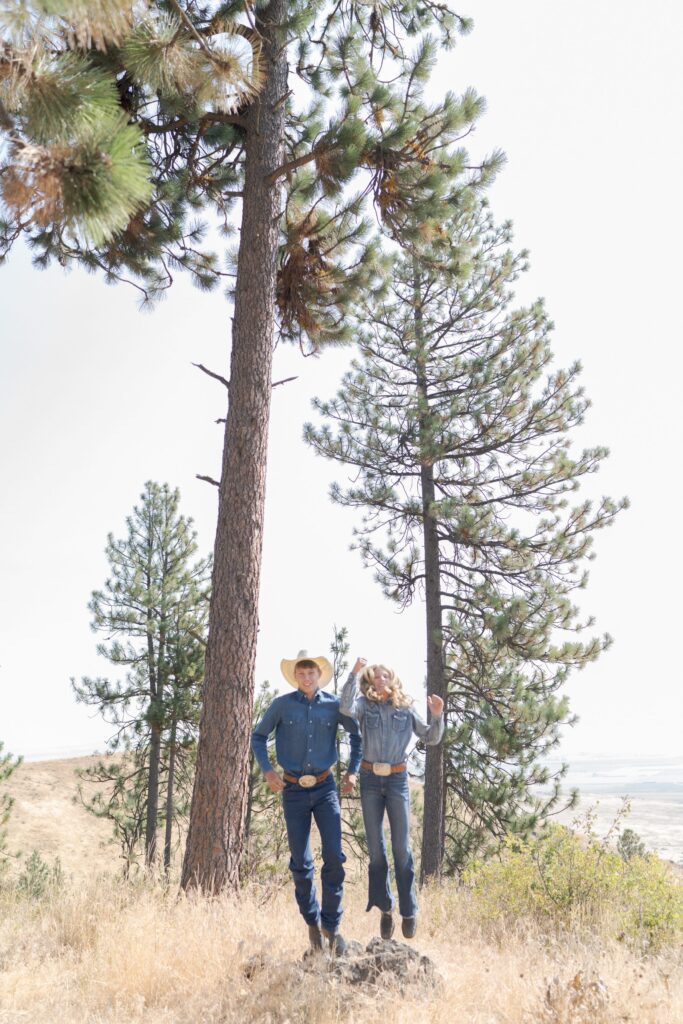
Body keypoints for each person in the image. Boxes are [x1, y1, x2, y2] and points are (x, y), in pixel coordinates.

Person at [252, 649, 361, 954]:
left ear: (319, 675)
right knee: (301, 862)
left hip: (326, 787)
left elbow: (357, 737)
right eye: (301, 673)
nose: (307, 677)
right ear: (295, 676)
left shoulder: (334, 707)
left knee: (335, 858)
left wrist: (352, 772)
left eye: (311, 672)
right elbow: (258, 737)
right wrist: (268, 770)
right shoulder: (282, 706)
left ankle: (332, 926)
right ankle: (312, 924)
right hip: (293, 790)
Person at [340, 658, 444, 940]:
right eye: (375, 676)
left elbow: (431, 738)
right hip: (370, 780)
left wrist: (437, 715)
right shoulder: (363, 705)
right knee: (376, 851)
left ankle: (409, 911)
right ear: (369, 681)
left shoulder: (406, 707)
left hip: (397, 780)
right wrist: (353, 673)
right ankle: (386, 909)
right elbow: (345, 707)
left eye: (385, 675)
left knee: (401, 849)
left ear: (392, 678)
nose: (380, 679)